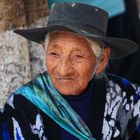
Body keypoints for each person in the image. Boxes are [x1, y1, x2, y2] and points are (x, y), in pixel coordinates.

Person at [0, 2, 140, 140]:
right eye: (54, 54)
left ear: (101, 60)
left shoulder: (127, 97)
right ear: (44, 50)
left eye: (78, 56)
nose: (63, 70)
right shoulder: (21, 106)